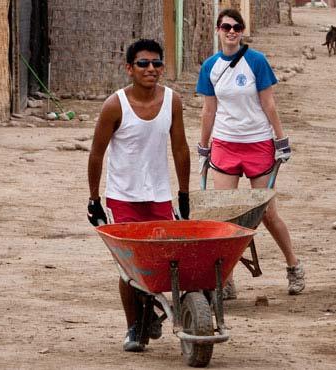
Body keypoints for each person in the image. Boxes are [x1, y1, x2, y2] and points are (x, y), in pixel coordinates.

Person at [87, 39, 191, 352]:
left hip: (158, 196)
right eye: (143, 64)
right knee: (130, 266)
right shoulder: (114, 105)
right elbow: (96, 154)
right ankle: (135, 325)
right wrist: (94, 199)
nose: (151, 69)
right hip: (123, 198)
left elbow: (181, 148)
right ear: (129, 68)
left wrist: (183, 194)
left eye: (157, 63)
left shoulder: (172, 101)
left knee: (164, 261)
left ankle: (153, 311)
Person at [196, 9, 305, 298]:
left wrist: (281, 140)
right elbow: (209, 109)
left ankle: (293, 265)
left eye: (237, 27)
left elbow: (269, 104)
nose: (231, 32)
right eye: (226, 27)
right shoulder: (210, 66)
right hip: (225, 144)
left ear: (242, 31)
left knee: (267, 212)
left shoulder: (256, 61)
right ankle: (226, 280)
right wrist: (203, 147)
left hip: (257, 143)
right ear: (218, 30)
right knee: (225, 216)